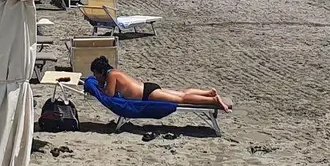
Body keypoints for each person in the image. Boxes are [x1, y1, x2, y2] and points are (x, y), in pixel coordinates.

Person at [89, 57, 232, 111]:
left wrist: (98, 87)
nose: (95, 76)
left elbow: (110, 94)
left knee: (182, 99)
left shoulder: (111, 75)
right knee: (181, 93)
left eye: (95, 74)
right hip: (148, 88)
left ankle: (213, 100)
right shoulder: (114, 72)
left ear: (101, 71)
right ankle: (207, 92)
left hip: (148, 94)